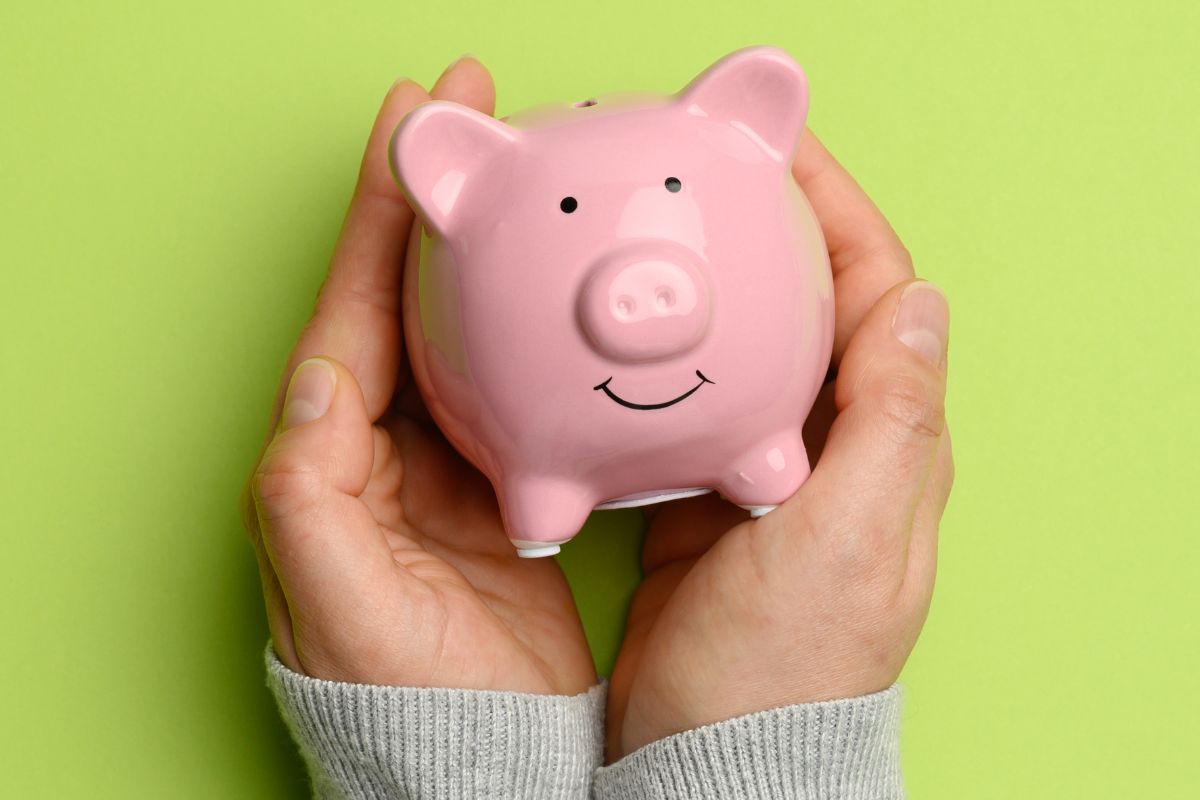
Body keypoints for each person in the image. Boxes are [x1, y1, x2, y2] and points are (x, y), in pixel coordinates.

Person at [240, 54, 953, 800]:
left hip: (737, 434)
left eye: (676, 193)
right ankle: (552, 486)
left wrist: (441, 766)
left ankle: (753, 457)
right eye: (569, 213)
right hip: (532, 456)